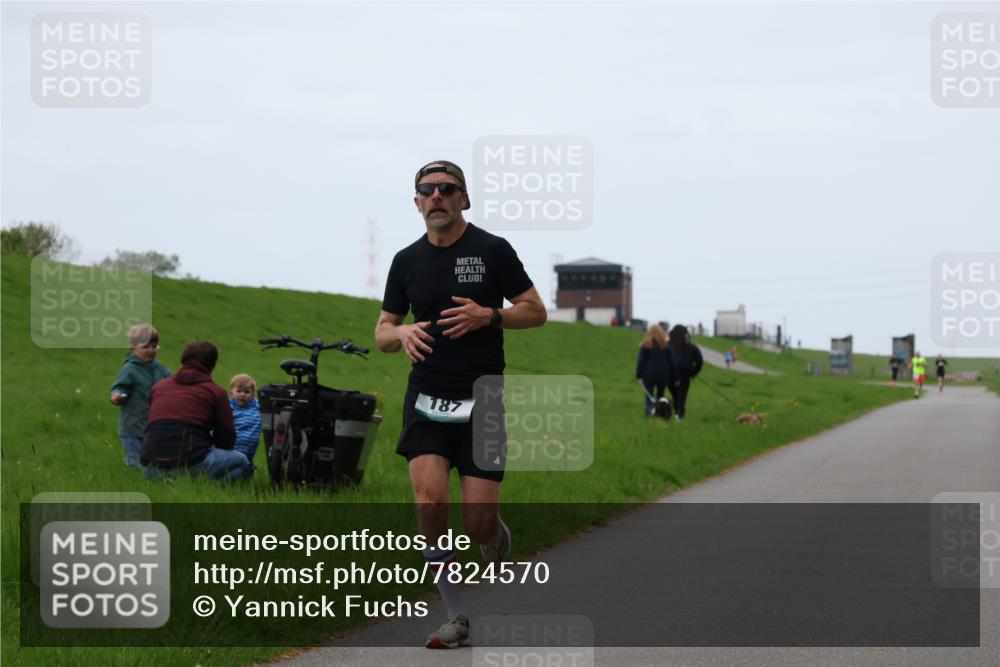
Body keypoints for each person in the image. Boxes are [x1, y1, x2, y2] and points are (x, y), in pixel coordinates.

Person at [375, 160, 546, 649]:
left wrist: (488, 315)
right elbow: (382, 331)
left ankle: (494, 535)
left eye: (447, 189)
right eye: (426, 190)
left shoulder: (492, 250)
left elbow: (536, 312)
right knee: (429, 502)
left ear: (463, 199)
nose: (436, 196)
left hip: (482, 399)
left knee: (476, 524)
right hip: (426, 395)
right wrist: (401, 330)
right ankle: (455, 616)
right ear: (416, 203)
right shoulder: (405, 260)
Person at [140, 341, 252, 481]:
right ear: (212, 364)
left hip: (150, 466)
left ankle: (183, 486)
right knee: (243, 462)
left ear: (184, 360)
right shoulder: (215, 391)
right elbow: (226, 439)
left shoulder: (158, 387)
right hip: (190, 462)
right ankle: (212, 490)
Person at [109, 323, 172, 467]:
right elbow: (119, 387)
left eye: (154, 346)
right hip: (132, 426)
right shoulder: (129, 369)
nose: (150, 350)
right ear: (133, 348)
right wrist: (116, 396)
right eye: (145, 347)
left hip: (153, 426)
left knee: (152, 462)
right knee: (135, 463)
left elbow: (172, 383)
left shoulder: (159, 368)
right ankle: (133, 483)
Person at [636, 324, 675, 416]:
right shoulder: (666, 346)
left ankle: (649, 415)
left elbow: (641, 362)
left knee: (649, 398)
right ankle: (661, 414)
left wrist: (638, 374)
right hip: (663, 376)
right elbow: (672, 362)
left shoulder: (645, 346)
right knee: (660, 397)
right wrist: (675, 376)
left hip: (649, 376)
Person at [667, 325, 704, 420]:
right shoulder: (691, 347)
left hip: (670, 376)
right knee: (682, 396)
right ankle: (679, 415)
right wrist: (694, 372)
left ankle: (677, 413)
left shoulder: (667, 346)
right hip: (685, 376)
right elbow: (699, 361)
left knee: (675, 395)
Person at [229, 373, 262, 468]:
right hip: (232, 448)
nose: (242, 395)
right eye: (238, 391)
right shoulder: (228, 407)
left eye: (247, 392)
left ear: (253, 394)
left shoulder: (258, 407)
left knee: (246, 468)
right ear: (231, 392)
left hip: (250, 449)